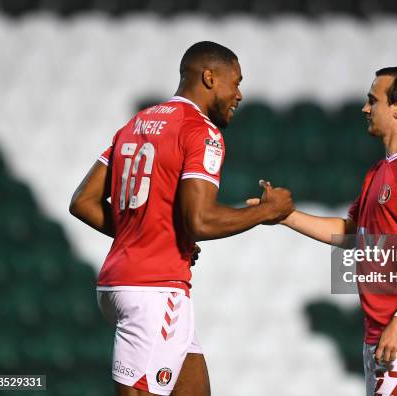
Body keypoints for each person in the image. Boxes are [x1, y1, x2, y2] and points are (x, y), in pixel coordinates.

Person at [69, 41, 294, 396]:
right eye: (234, 82)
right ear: (209, 77)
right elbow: (200, 221)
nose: (238, 94)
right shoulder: (201, 131)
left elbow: (83, 201)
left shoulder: (137, 122)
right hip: (154, 290)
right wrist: (270, 210)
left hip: (123, 281)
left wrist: (149, 233)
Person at [252, 65, 397, 396]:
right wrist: (282, 216)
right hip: (380, 329)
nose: (365, 108)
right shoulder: (379, 171)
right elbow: (350, 232)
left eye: (372, 100)